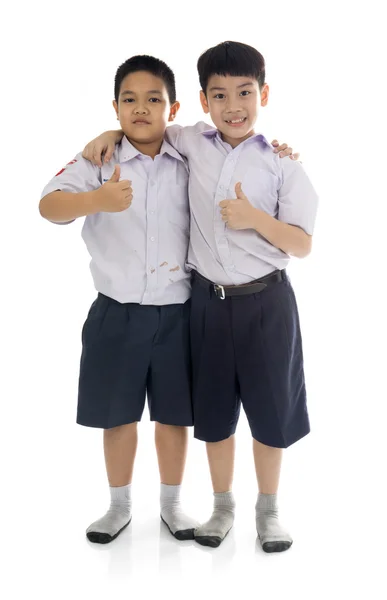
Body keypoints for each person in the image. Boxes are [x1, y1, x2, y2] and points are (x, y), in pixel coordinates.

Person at [82, 41, 310, 553]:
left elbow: (303, 244)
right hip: (206, 302)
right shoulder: (191, 141)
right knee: (213, 413)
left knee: (272, 413)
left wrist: (255, 219)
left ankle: (268, 512)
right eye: (220, 95)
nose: (234, 106)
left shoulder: (281, 163)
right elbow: (146, 125)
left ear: (264, 94)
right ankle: (221, 506)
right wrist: (111, 132)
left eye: (245, 93)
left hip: (269, 303)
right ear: (203, 103)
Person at [39, 54, 201, 544]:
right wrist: (96, 200)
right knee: (118, 414)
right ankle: (119, 506)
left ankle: (173, 505)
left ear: (172, 110)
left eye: (154, 99)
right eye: (129, 99)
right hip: (116, 312)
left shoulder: (190, 155)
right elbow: (48, 206)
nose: (142, 109)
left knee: (175, 415)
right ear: (115, 108)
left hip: (179, 311)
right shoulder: (100, 160)